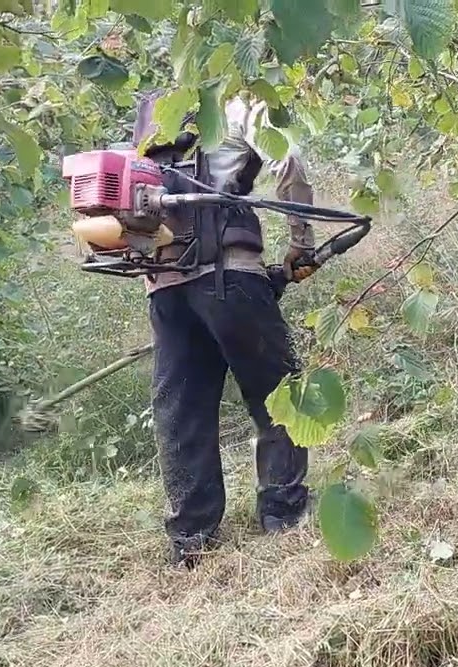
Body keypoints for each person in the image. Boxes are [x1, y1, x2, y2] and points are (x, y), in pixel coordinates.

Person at [131, 89, 317, 567]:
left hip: (164, 287)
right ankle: (283, 512)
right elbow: (288, 161)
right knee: (278, 392)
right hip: (230, 276)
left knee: (182, 411)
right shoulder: (239, 101)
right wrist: (302, 242)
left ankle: (191, 537)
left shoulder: (154, 121)